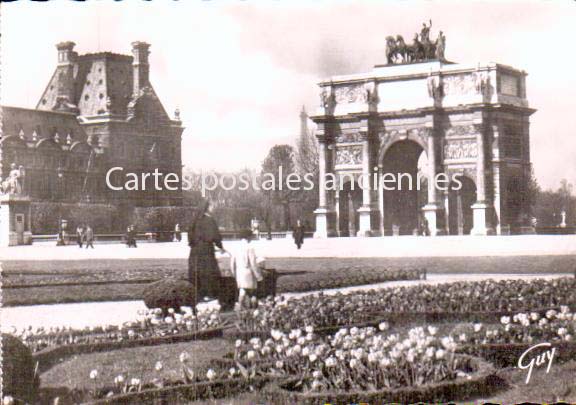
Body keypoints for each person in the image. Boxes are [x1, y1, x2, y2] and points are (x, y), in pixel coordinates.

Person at [188, 200, 227, 303]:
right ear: (207, 207)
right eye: (212, 206)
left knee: (196, 272)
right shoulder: (210, 220)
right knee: (209, 272)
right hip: (206, 250)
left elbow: (190, 235)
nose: (213, 208)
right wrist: (221, 247)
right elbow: (215, 236)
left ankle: (197, 294)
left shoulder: (195, 220)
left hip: (195, 251)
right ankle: (209, 294)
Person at [230, 229, 264, 310]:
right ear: (248, 237)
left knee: (242, 290)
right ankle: (253, 309)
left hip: (239, 272)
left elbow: (232, 263)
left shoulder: (236, 247)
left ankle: (240, 306)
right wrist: (259, 276)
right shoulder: (249, 248)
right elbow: (253, 263)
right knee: (253, 292)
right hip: (248, 272)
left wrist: (234, 273)